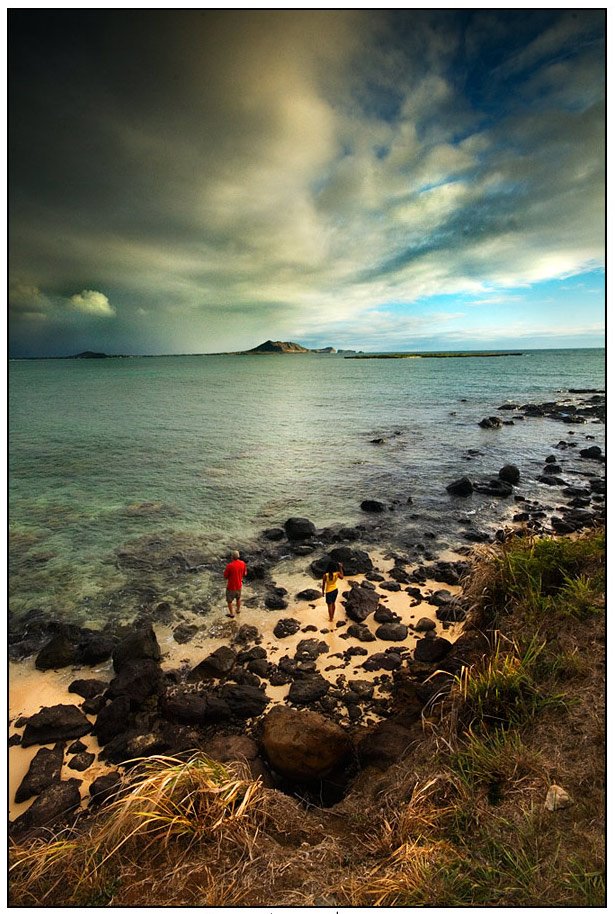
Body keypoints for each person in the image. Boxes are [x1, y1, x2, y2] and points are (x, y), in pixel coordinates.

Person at [223, 550, 247, 617]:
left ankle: (231, 614)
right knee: (238, 598)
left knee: (229, 601)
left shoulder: (229, 566)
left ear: (232, 557)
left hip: (231, 587)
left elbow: (225, 576)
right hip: (239, 586)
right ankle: (238, 610)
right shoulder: (243, 563)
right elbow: (245, 573)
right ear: (238, 556)